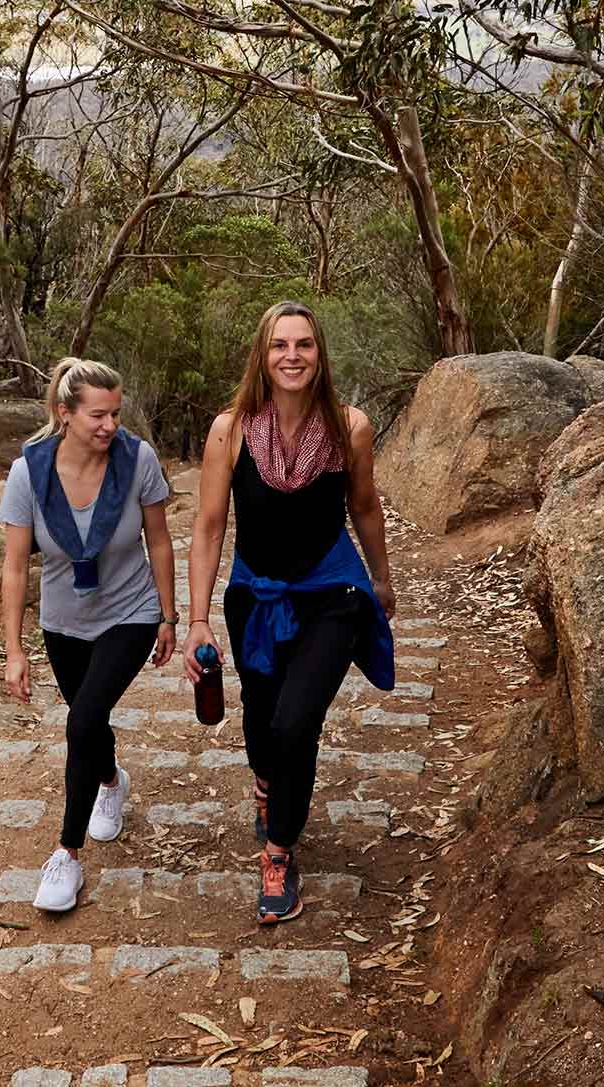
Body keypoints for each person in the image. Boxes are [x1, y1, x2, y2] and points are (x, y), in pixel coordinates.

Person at [183, 301, 395, 925]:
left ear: (319, 354)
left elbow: (365, 508)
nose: (292, 355)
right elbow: (209, 525)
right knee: (263, 714)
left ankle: (278, 854)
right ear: (263, 354)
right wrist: (197, 621)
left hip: (333, 594)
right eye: (280, 345)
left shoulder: (350, 427)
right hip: (257, 594)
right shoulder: (231, 431)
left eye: (304, 344)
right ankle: (267, 784)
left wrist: (382, 582)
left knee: (296, 722)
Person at [0, 357, 179, 912]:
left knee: (81, 719)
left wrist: (170, 616)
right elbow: (14, 566)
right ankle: (110, 780)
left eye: (115, 414)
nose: (110, 427)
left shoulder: (136, 459)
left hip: (131, 611)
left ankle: (66, 856)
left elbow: (160, 542)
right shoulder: (29, 472)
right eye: (98, 415)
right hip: (63, 621)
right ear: (64, 413)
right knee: (90, 721)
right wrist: (13, 650)